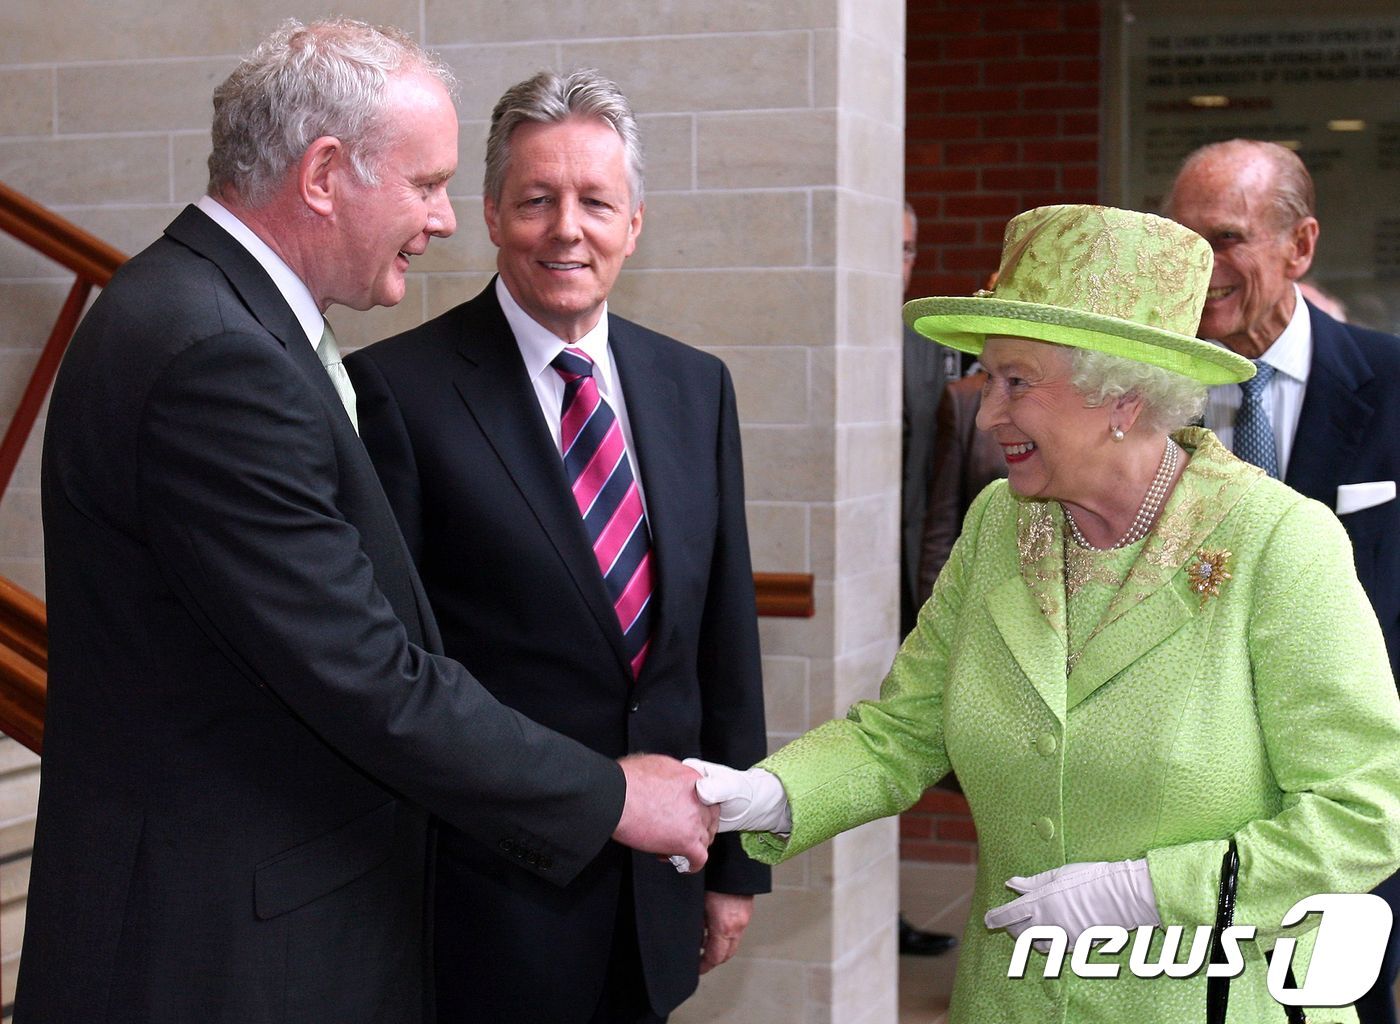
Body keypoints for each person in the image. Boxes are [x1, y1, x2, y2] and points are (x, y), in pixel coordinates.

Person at [16, 23, 715, 1024]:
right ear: (324, 174)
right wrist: (612, 795)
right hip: (219, 954)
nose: (440, 219)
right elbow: (365, 673)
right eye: (426, 183)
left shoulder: (217, 315)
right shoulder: (215, 355)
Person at [688, 204, 1400, 1023]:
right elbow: (901, 732)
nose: (989, 413)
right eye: (988, 378)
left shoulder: (1277, 541)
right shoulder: (1000, 525)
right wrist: (764, 795)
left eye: (1015, 382)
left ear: (1123, 397)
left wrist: (1151, 891)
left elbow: (1367, 808)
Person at [344, 69, 768, 1024]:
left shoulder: (695, 388)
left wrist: (736, 863)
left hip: (658, 887)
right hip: (489, 900)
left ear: (636, 222)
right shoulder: (396, 394)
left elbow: (722, 645)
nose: (566, 229)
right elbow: (399, 669)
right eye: (537, 201)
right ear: (492, 213)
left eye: (595, 202)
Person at [1165, 137, 1400, 1024]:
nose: (1201, 267)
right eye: (1181, 240)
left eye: (1224, 239)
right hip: (1181, 823)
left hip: (1347, 820)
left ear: (1299, 246)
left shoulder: (1392, 383)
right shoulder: (1141, 398)